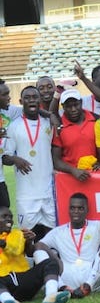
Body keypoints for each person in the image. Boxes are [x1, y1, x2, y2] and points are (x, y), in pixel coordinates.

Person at [37, 193, 100, 298]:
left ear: (87, 210)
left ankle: (87, 286)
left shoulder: (96, 226)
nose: (76, 212)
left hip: (94, 280)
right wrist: (54, 258)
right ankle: (61, 287)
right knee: (40, 251)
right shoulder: (58, 232)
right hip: (67, 278)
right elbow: (38, 246)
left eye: (80, 208)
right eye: (72, 208)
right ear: (68, 210)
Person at [2, 86, 56, 240]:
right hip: (26, 194)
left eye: (35, 97)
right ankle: (31, 263)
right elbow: (5, 158)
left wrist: (51, 115)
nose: (31, 100)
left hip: (48, 191)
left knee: (51, 234)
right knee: (27, 237)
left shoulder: (48, 123)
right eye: (27, 97)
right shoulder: (13, 126)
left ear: (40, 100)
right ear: (21, 101)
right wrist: (15, 159)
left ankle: (51, 263)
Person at [1, 206, 70, 303]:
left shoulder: (17, 234)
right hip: (3, 284)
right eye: (4, 216)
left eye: (10, 217)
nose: (9, 219)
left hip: (22, 279)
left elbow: (16, 249)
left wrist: (4, 244)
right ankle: (9, 302)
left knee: (50, 263)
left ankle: (51, 296)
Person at [52, 90, 99, 181]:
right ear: (63, 107)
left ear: (81, 102)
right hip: (71, 179)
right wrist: (73, 170)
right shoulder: (59, 126)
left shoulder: (96, 119)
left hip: (96, 176)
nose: (73, 109)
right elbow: (56, 161)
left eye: (76, 105)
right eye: (68, 106)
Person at [0, 79, 23, 208]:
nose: (9, 98)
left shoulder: (9, 111)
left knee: (4, 213)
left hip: (0, 178)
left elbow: (31, 109)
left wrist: (49, 115)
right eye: (5, 95)